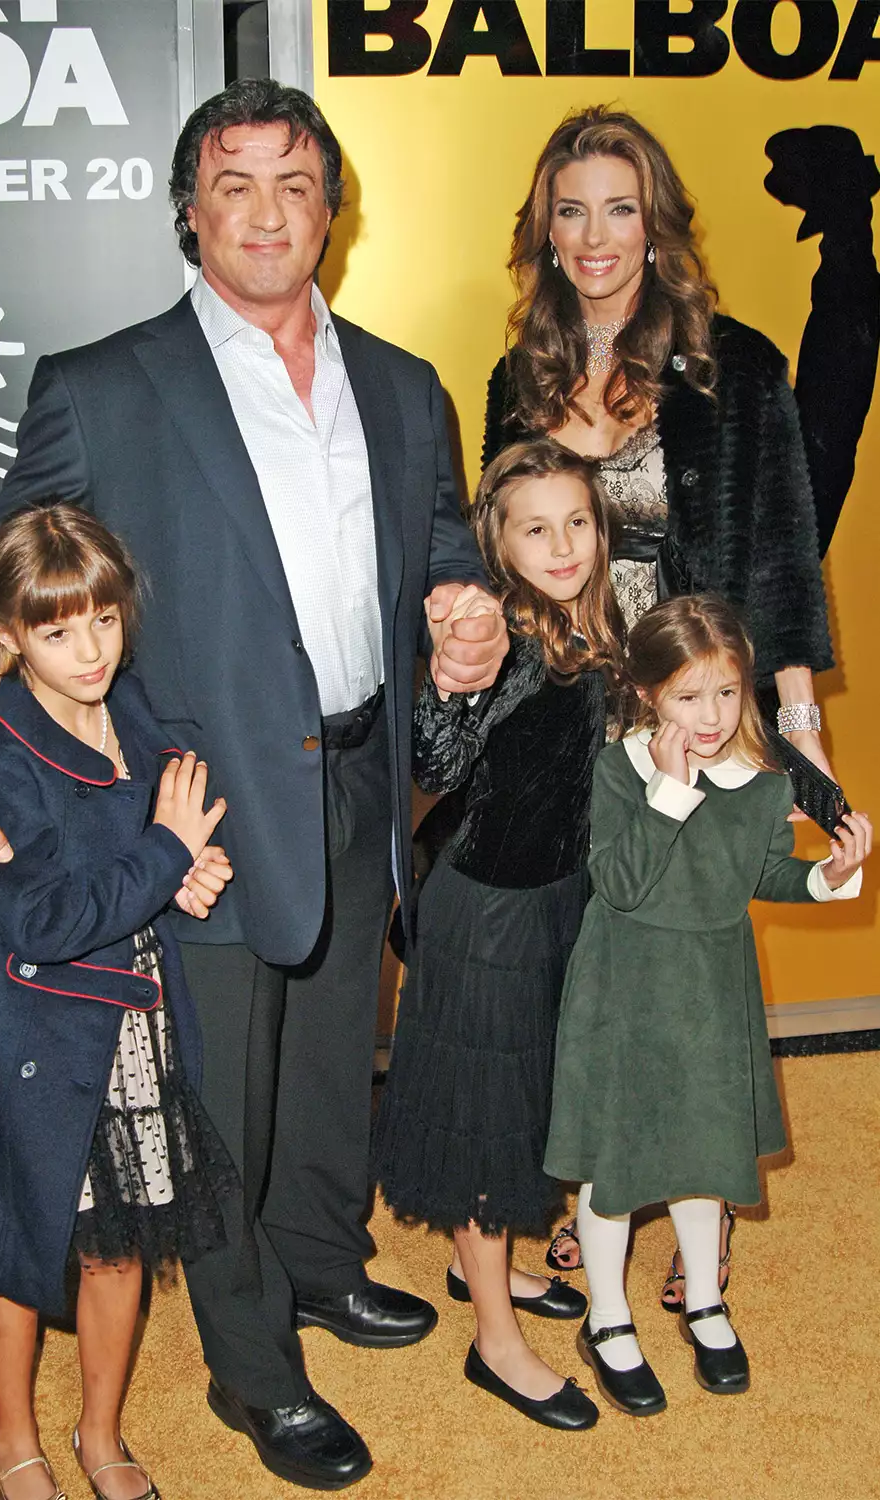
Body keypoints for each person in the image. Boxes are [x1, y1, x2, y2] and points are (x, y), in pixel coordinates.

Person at [0, 80, 507, 1491]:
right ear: (190, 209)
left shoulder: (407, 385)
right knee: (220, 1092)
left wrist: (465, 603)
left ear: (331, 210)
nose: (267, 212)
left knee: (332, 1052)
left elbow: (437, 553)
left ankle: (315, 1260)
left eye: (296, 183)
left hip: (368, 772)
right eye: (234, 183)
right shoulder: (103, 388)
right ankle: (254, 1368)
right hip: (199, 807)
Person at [483, 106, 835, 1306]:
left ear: (657, 224)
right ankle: (599, 1192)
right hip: (564, 719)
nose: (595, 236)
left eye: (619, 208)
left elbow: (783, 555)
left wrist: (798, 739)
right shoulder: (516, 375)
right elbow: (498, 560)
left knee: (682, 982)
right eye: (570, 209)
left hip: (689, 714)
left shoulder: (735, 366)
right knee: (583, 974)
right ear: (544, 230)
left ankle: (697, 1215)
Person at [0, 505, 240, 1500]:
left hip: (135, 1018)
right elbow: (41, 921)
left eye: (104, 621)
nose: (89, 650)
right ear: (6, 635)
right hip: (35, 1028)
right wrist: (166, 856)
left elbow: (170, 816)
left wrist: (193, 866)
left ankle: (101, 1433)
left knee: (119, 1241)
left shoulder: (137, 711)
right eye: (56, 630)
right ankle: (12, 1438)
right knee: (24, 1239)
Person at [544, 594, 870, 1415]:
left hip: (713, 991)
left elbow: (761, 876)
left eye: (727, 692)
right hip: (624, 988)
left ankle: (705, 1300)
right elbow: (617, 883)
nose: (713, 715)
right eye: (690, 696)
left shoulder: (760, 783)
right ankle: (607, 1315)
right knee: (614, 1154)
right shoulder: (620, 770)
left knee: (704, 1142)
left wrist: (826, 879)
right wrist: (670, 791)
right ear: (650, 693)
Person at [373, 440, 627, 1432]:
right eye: (534, 528)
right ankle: (493, 1341)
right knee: (487, 1116)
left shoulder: (583, 620)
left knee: (522, 1100)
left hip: (553, 895)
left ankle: (478, 1264)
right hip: (483, 911)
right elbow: (434, 752)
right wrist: (455, 669)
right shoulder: (504, 630)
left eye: (576, 522)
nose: (561, 544)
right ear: (496, 542)